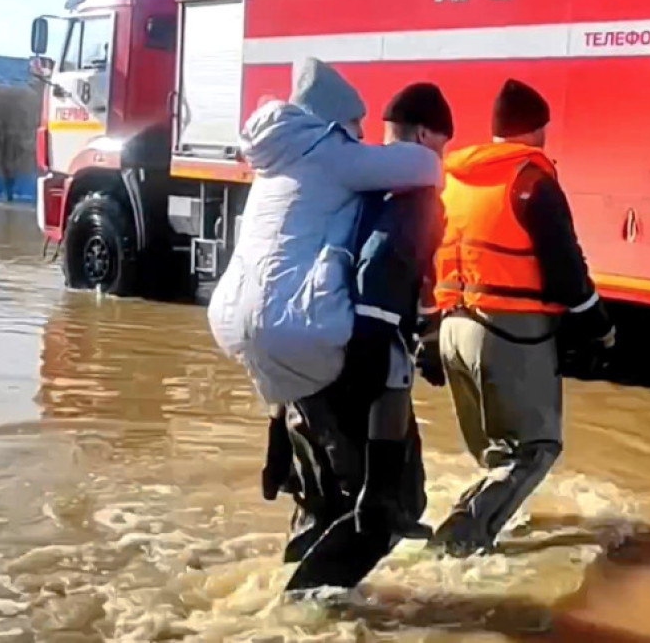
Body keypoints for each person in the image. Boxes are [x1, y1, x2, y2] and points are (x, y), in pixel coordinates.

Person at [206, 59, 443, 522]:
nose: (360, 135)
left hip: (236, 321)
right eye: (357, 124)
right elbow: (424, 166)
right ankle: (375, 499)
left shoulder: (275, 159)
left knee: (300, 401)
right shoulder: (328, 151)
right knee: (389, 357)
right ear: (336, 119)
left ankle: (284, 461)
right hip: (298, 326)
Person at [426, 79, 616, 557]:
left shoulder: (451, 179)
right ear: (538, 130)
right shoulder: (532, 181)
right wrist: (599, 325)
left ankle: (476, 529)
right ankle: (461, 539)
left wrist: (426, 332)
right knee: (537, 448)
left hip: (451, 326)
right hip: (508, 332)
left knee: (496, 454)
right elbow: (565, 268)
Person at [276, 83, 454, 574]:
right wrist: (373, 348)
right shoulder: (413, 196)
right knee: (396, 503)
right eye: (442, 145)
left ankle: (280, 585)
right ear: (423, 135)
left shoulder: (350, 186)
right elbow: (380, 269)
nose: (442, 158)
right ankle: (309, 612)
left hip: (296, 357)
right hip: (348, 361)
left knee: (323, 501)